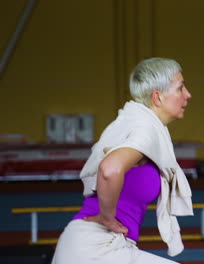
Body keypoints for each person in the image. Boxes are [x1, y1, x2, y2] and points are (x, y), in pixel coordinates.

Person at [52, 57, 194, 264]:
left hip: (85, 245)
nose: (188, 95)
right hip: (97, 249)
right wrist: (107, 218)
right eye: (181, 88)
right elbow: (109, 169)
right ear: (158, 97)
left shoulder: (131, 123)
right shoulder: (145, 130)